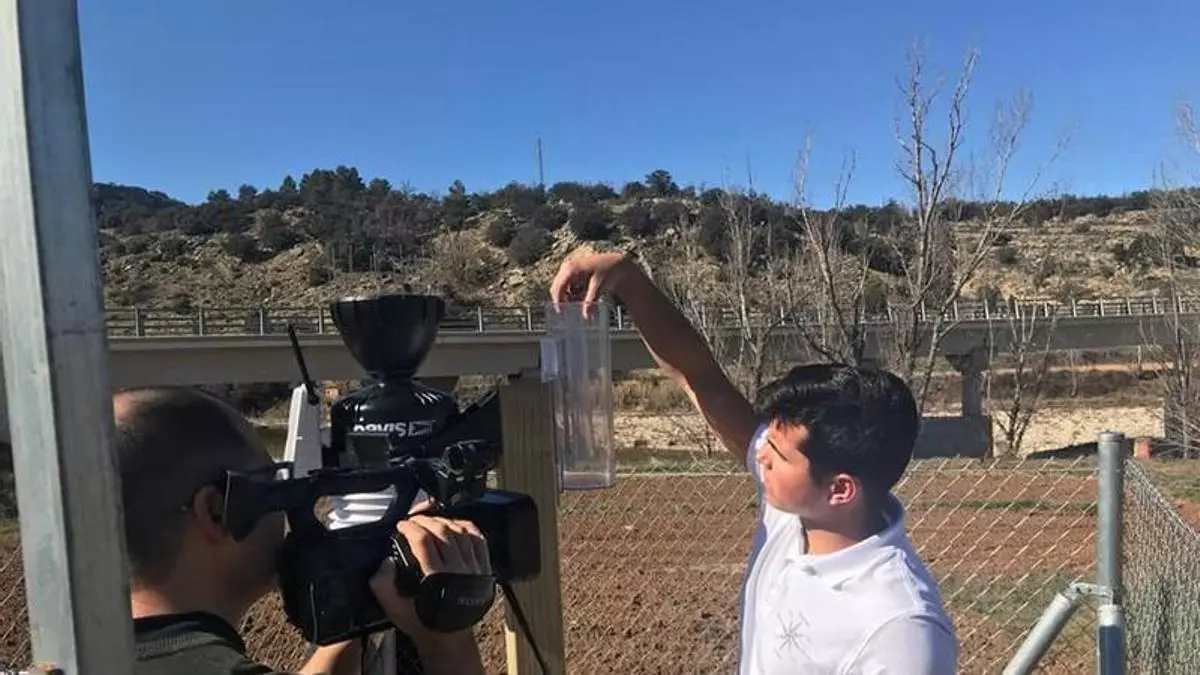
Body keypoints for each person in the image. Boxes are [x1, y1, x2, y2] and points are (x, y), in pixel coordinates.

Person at [550, 249, 959, 674]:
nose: (760, 452)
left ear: (840, 489)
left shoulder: (900, 629)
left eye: (777, 454)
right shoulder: (798, 515)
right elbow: (700, 378)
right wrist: (629, 281)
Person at [112, 386, 489, 675]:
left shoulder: (90, 650)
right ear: (216, 512)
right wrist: (448, 644)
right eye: (274, 482)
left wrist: (357, 602)